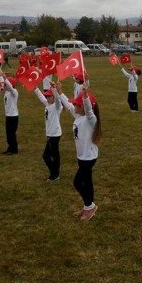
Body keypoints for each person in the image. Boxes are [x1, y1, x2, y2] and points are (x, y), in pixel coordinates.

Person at [58, 82, 102, 222]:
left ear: (82, 106)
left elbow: (89, 110)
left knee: (78, 182)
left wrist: (84, 95)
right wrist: (59, 91)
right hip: (82, 156)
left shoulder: (91, 119)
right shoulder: (78, 116)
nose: (74, 106)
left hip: (88, 157)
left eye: (77, 104)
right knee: (87, 182)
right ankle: (88, 206)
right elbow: (68, 104)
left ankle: (90, 206)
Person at [33, 83, 63, 182]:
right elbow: (41, 97)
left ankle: (54, 174)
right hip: (50, 134)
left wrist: (55, 89)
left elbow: (58, 100)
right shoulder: (48, 104)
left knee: (47, 156)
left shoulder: (57, 107)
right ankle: (55, 173)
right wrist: (35, 88)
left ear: (53, 97)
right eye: (46, 96)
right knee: (54, 155)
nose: (47, 97)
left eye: (49, 96)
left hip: (54, 134)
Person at [0, 68, 19, 155]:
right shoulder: (6, 92)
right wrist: (0, 75)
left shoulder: (14, 92)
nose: (4, 86)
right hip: (8, 116)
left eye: (5, 84)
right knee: (8, 134)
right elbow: (4, 85)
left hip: (13, 117)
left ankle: (14, 150)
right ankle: (10, 148)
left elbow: (9, 87)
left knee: (11, 134)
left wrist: (5, 78)